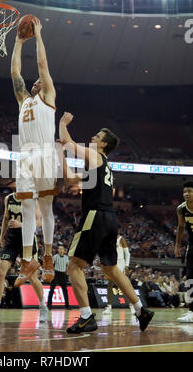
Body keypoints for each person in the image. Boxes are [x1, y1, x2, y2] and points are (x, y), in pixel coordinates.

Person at [58, 112, 154, 333]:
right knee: (111, 269)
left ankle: (86, 317)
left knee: (73, 266)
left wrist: (62, 124)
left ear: (103, 145)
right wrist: (60, 154)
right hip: (110, 218)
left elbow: (68, 142)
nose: (92, 137)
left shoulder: (96, 157)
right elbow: (70, 179)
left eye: (96, 136)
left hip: (96, 215)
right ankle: (141, 310)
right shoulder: (102, 165)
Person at [11, 17, 57, 287]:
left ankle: (48, 254)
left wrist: (38, 37)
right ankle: (29, 260)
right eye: (37, 81)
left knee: (46, 206)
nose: (38, 80)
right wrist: (18, 42)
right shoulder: (24, 100)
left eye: (42, 79)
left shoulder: (48, 96)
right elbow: (16, 74)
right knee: (27, 208)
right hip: (25, 156)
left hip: (45, 154)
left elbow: (42, 65)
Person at [0, 192, 49, 323]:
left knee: (33, 277)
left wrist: (21, 225)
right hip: (12, 239)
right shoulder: (8, 198)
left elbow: (39, 221)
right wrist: (2, 234)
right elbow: (6, 217)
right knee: (1, 272)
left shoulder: (33, 199)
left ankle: (43, 307)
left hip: (27, 239)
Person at [174, 181, 193, 322]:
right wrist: (177, 245)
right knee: (190, 278)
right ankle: (192, 311)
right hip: (192, 245)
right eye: (184, 191)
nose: (186, 194)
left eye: (189, 191)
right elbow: (180, 228)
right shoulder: (181, 208)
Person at [103, 234, 134, 314]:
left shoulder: (121, 239)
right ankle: (109, 307)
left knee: (124, 286)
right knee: (110, 285)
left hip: (120, 263)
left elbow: (127, 254)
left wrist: (127, 265)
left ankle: (132, 305)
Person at [47, 245, 70, 309]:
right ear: (58, 250)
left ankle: (67, 305)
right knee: (52, 290)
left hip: (63, 274)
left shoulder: (66, 257)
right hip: (56, 274)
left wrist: (67, 273)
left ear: (64, 250)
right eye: (59, 249)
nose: (61, 250)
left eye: (62, 249)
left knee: (65, 290)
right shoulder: (55, 256)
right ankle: (49, 305)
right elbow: (51, 264)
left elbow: (68, 265)